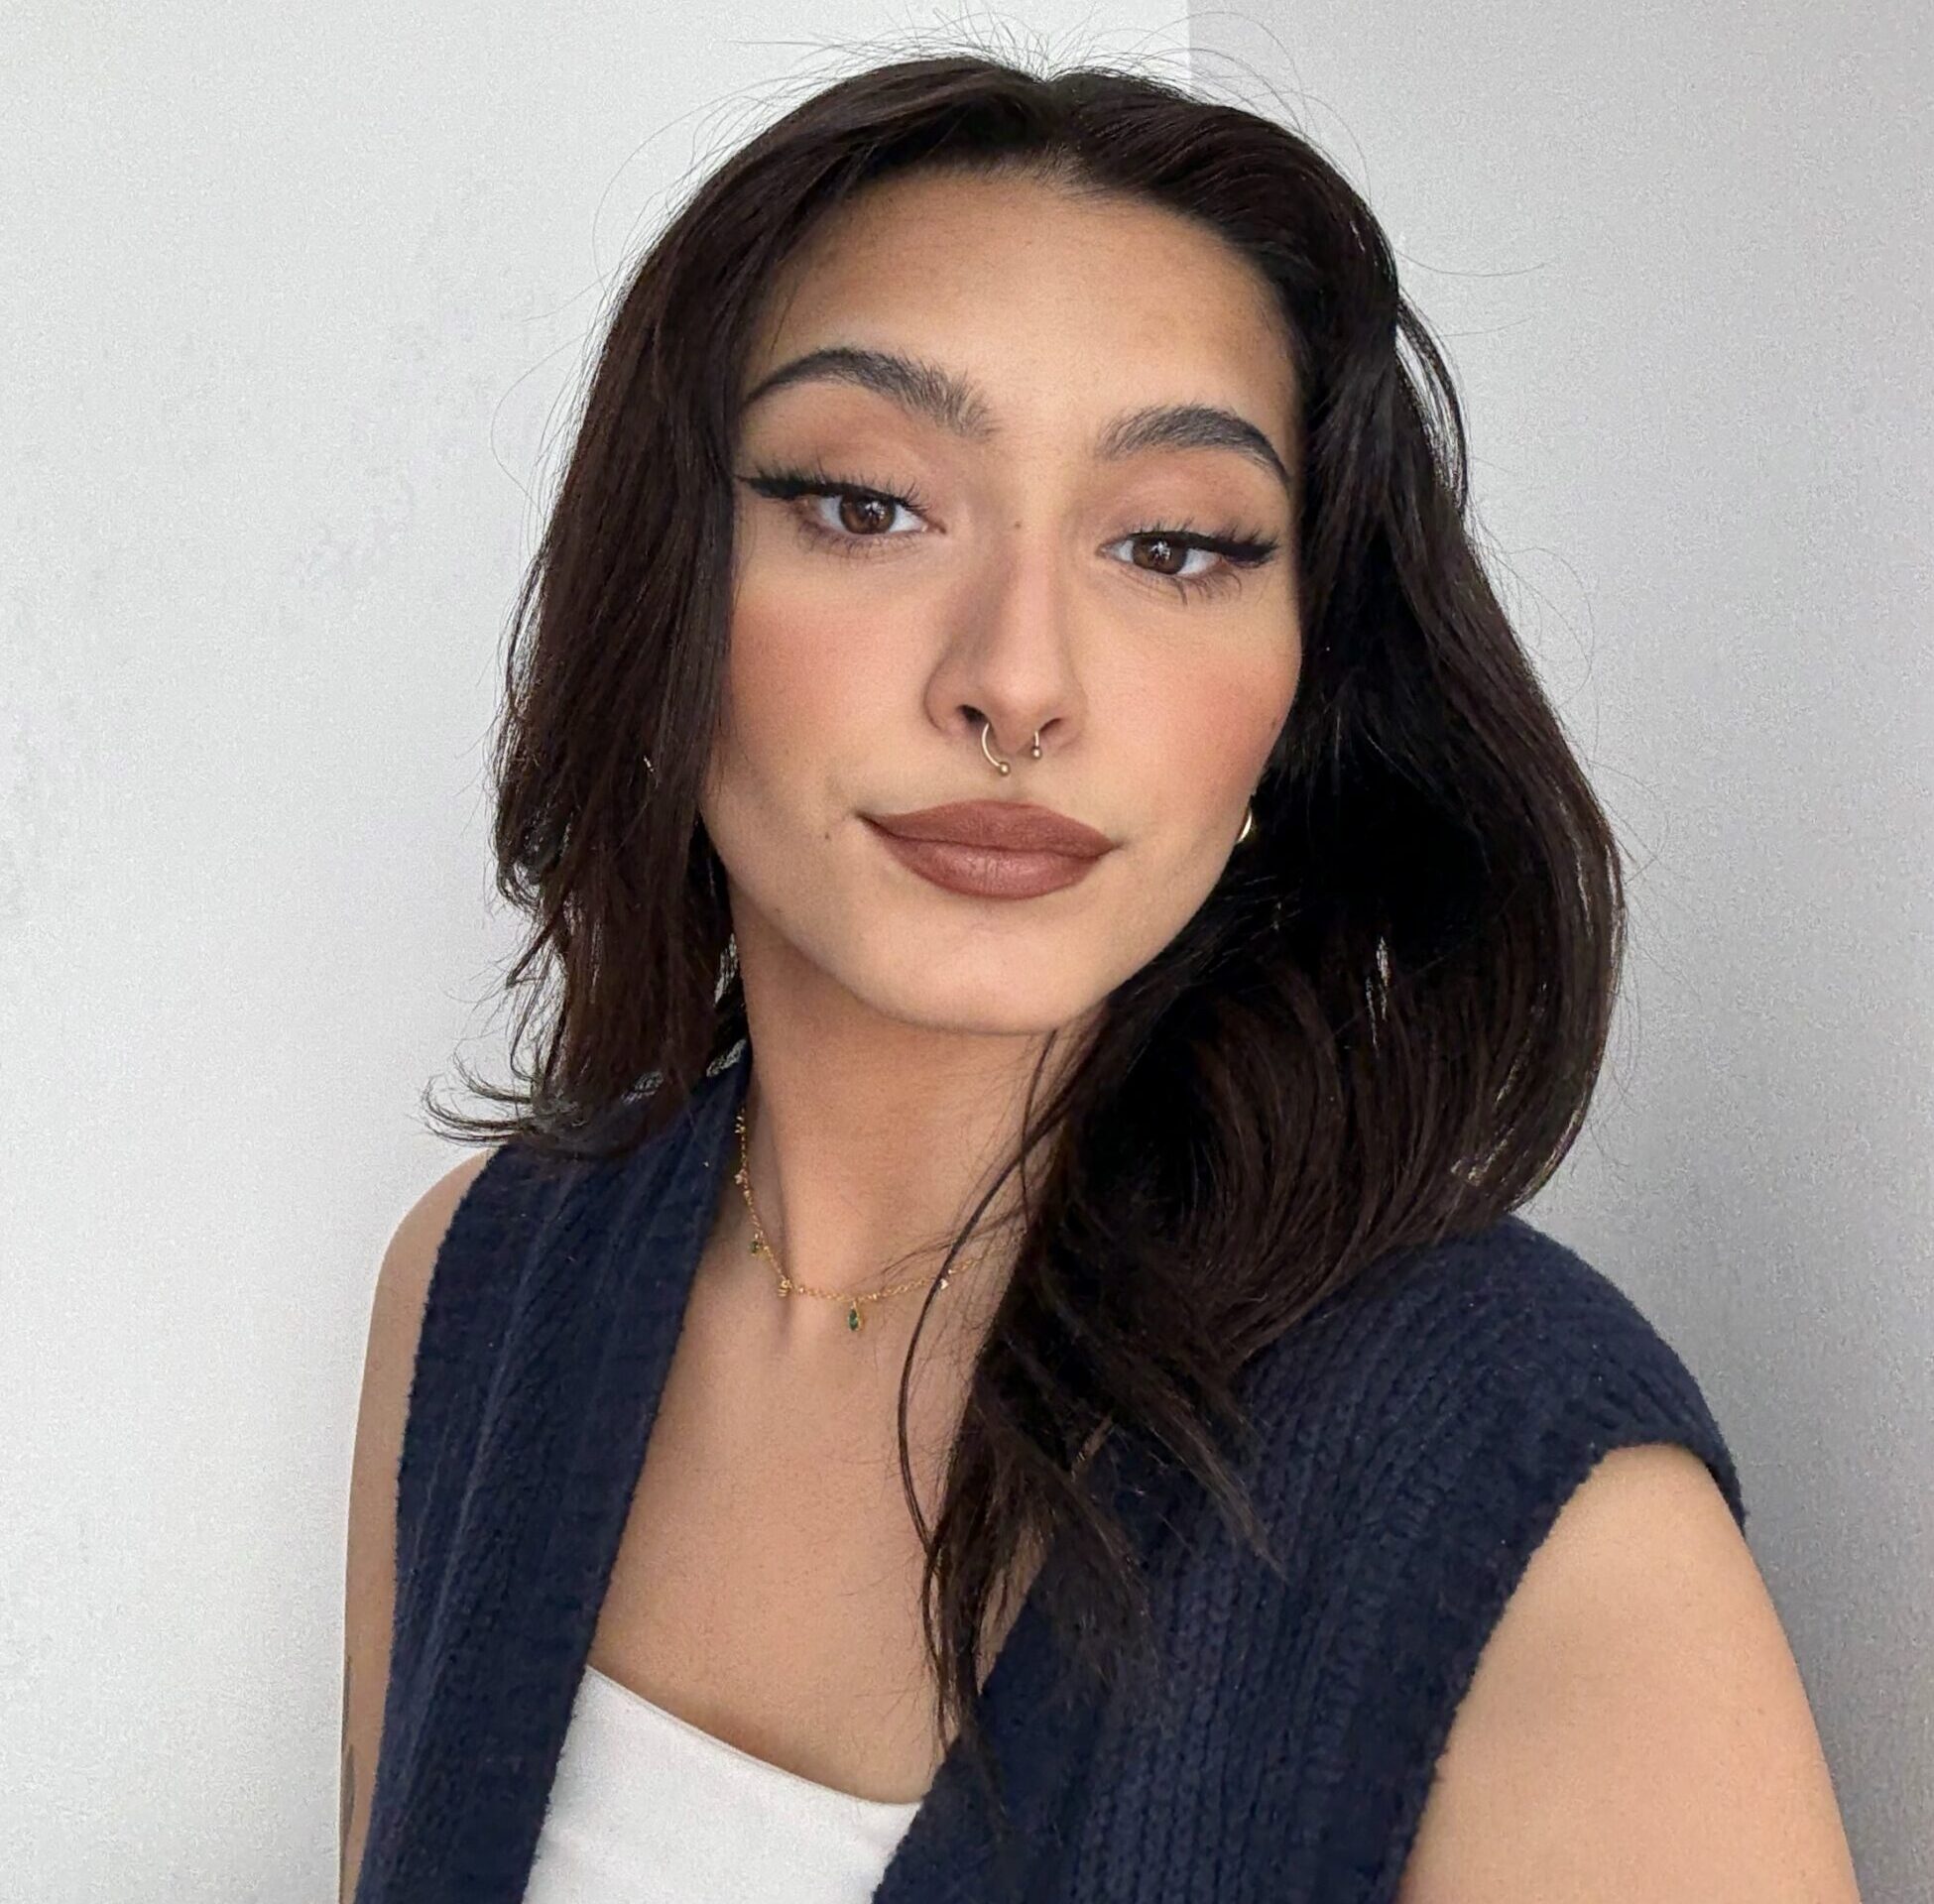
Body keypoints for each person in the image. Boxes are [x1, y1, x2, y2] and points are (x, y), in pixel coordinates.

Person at [338, 50, 1864, 1904]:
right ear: (664, 587)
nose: (1018, 677)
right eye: (867, 504)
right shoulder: (483, 1291)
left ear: (1302, 689)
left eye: (1174, 543)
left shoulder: (1541, 1522)